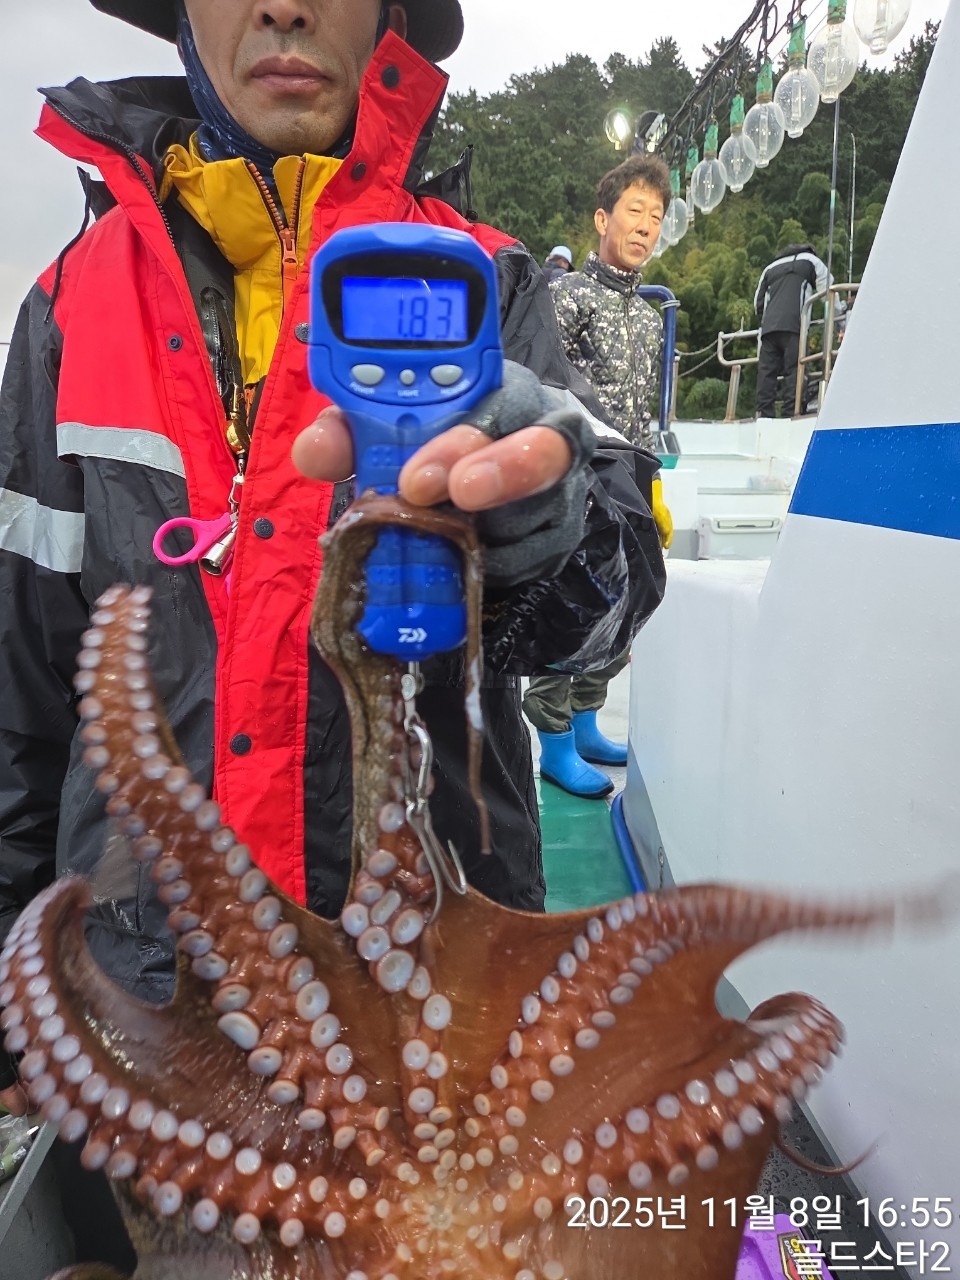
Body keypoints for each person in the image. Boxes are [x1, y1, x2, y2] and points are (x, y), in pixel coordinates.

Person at [0, 0, 665, 1170]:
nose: (284, 4)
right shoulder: (64, 307)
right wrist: (16, 996)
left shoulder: (497, 281)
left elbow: (599, 617)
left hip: (439, 1019)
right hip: (141, 1019)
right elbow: (22, 696)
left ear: (389, 14)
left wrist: (552, 538)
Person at [522, 153, 674, 800]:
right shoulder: (567, 296)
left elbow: (647, 414)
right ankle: (554, 742)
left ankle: (586, 722)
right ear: (602, 218)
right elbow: (542, 387)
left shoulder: (650, 316)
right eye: (634, 211)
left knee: (621, 603)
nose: (645, 226)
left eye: (656, 217)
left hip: (631, 478)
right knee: (571, 601)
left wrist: (653, 484)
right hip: (579, 477)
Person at [754, 241, 841, 418]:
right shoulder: (811, 261)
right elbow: (829, 293)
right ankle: (791, 413)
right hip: (795, 326)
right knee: (796, 369)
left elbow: (758, 304)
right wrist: (839, 318)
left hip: (768, 330)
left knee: (766, 373)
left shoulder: (770, 268)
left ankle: (764, 414)